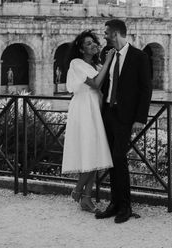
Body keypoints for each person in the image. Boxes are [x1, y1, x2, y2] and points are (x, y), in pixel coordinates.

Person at [95, 19, 152, 224]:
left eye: (106, 33)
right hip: (108, 113)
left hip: (125, 116)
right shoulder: (107, 55)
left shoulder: (139, 56)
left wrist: (140, 118)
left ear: (116, 33)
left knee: (119, 157)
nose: (104, 36)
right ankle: (114, 203)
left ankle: (125, 205)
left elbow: (146, 89)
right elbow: (104, 84)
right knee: (111, 160)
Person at [61, 30, 116, 212]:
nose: (92, 45)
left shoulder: (96, 64)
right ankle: (78, 191)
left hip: (95, 109)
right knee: (90, 151)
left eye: (94, 42)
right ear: (81, 48)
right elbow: (95, 84)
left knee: (94, 152)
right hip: (83, 109)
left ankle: (85, 197)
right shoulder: (76, 63)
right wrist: (108, 61)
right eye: (87, 43)